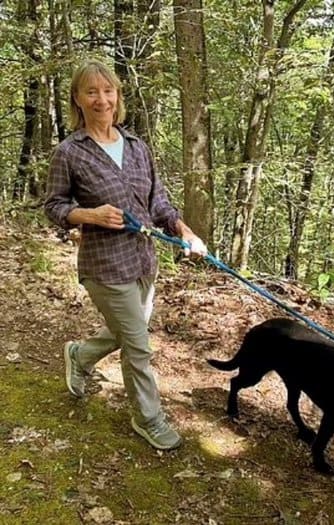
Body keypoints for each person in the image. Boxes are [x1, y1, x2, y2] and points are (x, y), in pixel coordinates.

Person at [44, 59, 207, 451]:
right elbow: (53, 206)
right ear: (77, 99)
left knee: (126, 332)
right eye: (91, 92)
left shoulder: (137, 147)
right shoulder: (70, 152)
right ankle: (148, 419)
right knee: (138, 345)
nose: (101, 99)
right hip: (105, 266)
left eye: (108, 91)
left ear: (117, 96)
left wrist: (186, 233)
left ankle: (80, 356)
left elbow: (159, 203)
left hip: (144, 261)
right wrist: (90, 215)